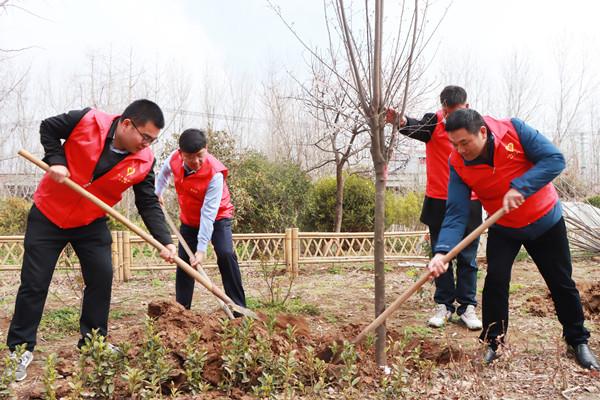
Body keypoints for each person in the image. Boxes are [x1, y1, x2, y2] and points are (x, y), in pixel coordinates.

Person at [6, 99, 178, 381]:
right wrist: (57, 161)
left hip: (90, 221)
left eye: (152, 140)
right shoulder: (88, 120)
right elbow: (48, 127)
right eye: (144, 137)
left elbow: (147, 202)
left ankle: (93, 342)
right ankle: (20, 349)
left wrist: (165, 241)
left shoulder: (145, 160)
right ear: (126, 123)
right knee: (34, 283)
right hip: (49, 213)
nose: (147, 144)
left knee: (101, 277)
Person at [428, 108, 599, 369]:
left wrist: (521, 186)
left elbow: (554, 159)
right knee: (495, 282)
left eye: (465, 142)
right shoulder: (457, 162)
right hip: (504, 225)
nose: (460, 150)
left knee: (561, 282)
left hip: (545, 221)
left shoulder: (514, 131)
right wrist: (442, 251)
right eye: (454, 144)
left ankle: (577, 340)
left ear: (482, 132)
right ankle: (494, 342)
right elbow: (456, 212)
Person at [386, 86, 482, 330]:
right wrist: (401, 120)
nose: (452, 118)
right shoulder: (434, 123)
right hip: (439, 201)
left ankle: (467, 306)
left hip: (470, 200)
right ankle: (444, 305)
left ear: (467, 108)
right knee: (440, 257)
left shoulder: (476, 125)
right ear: (443, 109)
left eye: (456, 112)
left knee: (468, 258)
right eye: (448, 112)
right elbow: (414, 127)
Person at [155, 128, 246, 313]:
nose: (196, 161)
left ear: (206, 148)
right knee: (184, 262)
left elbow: (208, 213)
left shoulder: (215, 174)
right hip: (189, 218)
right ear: (181, 154)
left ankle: (238, 308)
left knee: (226, 253)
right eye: (190, 157)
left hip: (218, 216)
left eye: (200, 155)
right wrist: (157, 193)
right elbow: (163, 173)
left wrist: (202, 249)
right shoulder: (174, 158)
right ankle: (182, 310)